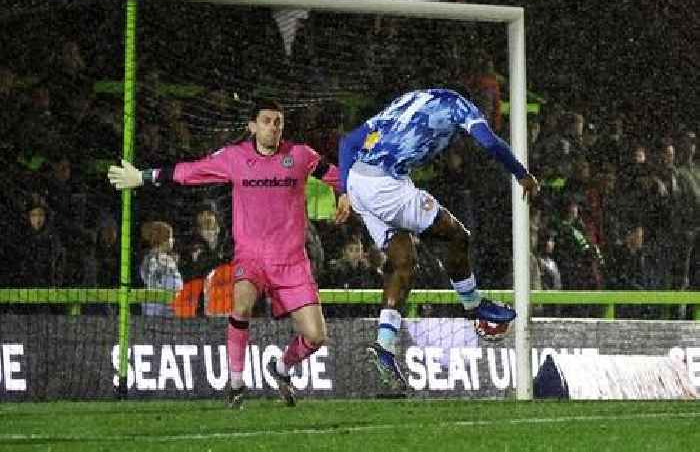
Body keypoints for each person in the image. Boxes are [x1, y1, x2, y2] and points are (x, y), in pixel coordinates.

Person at [108, 98, 346, 408]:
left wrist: (343, 195)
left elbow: (339, 176)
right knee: (242, 304)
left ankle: (282, 368)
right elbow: (190, 171)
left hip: (292, 262)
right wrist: (144, 177)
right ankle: (235, 382)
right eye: (266, 121)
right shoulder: (234, 158)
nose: (273, 127)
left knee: (315, 337)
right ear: (252, 126)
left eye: (278, 122)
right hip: (251, 258)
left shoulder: (300, 156)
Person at [335, 88, 538, 390]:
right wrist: (521, 174)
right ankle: (473, 303)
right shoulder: (461, 107)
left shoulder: (409, 98)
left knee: (403, 262)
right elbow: (488, 142)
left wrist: (343, 191)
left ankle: (384, 345)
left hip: (359, 182)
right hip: (387, 186)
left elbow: (348, 141)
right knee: (457, 235)